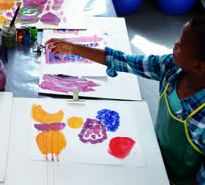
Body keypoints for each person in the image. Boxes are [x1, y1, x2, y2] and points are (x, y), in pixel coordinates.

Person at [46, 15, 205, 185]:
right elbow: (125, 61)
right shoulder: (171, 67)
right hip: (155, 153)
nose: (175, 45)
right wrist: (74, 49)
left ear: (199, 66)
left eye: (180, 45)